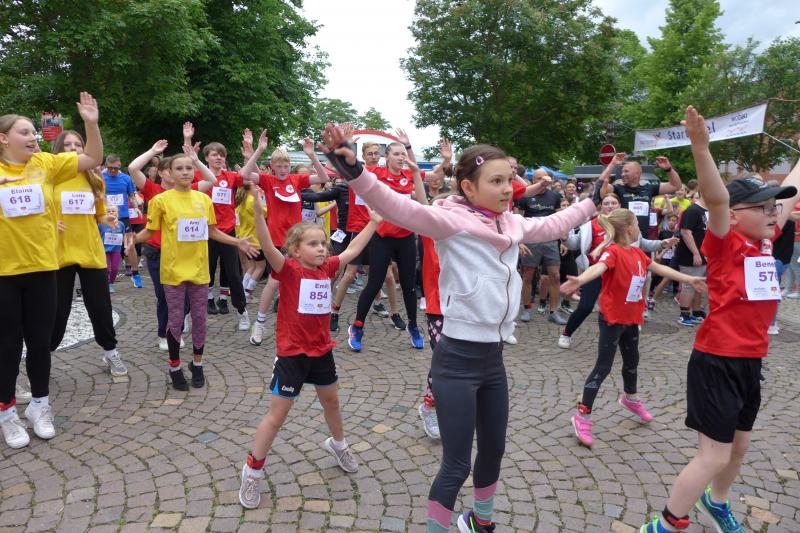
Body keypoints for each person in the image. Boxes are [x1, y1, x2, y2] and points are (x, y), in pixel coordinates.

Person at [318, 124, 595, 533]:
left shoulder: (511, 224)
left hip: (493, 362)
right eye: (496, 181)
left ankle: (480, 522)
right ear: (468, 186)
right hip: (456, 361)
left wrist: (592, 202)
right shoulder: (449, 221)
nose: (507, 189)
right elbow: (396, 206)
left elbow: (555, 224)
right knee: (456, 463)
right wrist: (355, 171)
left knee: (494, 451)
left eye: (509, 180)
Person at [640, 106, 800, 533]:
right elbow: (716, 198)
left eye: (775, 207)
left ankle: (717, 502)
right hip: (717, 360)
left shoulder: (765, 241)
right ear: (735, 215)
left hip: (750, 360)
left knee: (739, 447)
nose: (774, 213)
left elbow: (792, 188)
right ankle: (665, 523)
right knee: (713, 455)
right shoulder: (726, 243)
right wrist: (700, 146)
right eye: (763, 207)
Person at [238, 189, 381, 510]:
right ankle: (252, 470)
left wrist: (373, 223)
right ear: (295, 250)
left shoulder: (327, 268)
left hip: (321, 351)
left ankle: (338, 444)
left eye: (323, 244)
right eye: (313, 244)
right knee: (277, 416)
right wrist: (259, 214)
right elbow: (268, 246)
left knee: (332, 402)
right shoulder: (288, 269)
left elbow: (352, 249)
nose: (321, 248)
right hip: (292, 354)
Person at [0, 92, 103, 450]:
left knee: (40, 343)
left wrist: (91, 123)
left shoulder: (46, 163)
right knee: (7, 345)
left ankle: (40, 406)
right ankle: (7, 414)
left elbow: (92, 158)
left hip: (44, 268)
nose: (33, 137)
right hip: (4, 274)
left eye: (34, 132)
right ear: (4, 138)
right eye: (25, 132)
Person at [560, 208, 706, 447]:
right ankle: (582, 415)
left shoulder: (637, 252)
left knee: (632, 362)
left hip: (632, 318)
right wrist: (581, 279)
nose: (640, 227)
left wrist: (689, 279)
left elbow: (659, 269)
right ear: (629, 229)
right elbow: (599, 268)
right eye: (637, 224)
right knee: (603, 367)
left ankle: (630, 398)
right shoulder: (613, 252)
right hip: (612, 318)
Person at [130, 146, 256, 390]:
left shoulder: (203, 199)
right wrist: (131, 240)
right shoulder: (160, 200)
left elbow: (212, 231)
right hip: (173, 271)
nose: (186, 172)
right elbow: (150, 232)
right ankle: (174, 366)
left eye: (189, 168)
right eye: (180, 168)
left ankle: (197, 364)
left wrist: (237, 242)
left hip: (199, 270)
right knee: (176, 319)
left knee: (199, 319)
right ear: (169, 172)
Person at [346, 130, 453, 352]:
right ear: (387, 157)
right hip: (382, 237)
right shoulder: (376, 172)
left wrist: (446, 160)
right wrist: (348, 146)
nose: (401, 157)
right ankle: (357, 326)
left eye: (403, 153)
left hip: (405, 238)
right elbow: (352, 168)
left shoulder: (408, 175)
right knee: (374, 283)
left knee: (408, 286)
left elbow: (435, 175)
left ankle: (413, 326)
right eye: (396, 154)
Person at [238, 131, 331, 346]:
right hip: (277, 242)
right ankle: (260, 323)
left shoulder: (297, 180)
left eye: (286, 166)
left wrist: (312, 154)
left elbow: (324, 178)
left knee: (300, 281)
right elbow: (244, 174)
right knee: (274, 282)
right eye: (278, 166)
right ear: (272, 166)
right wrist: (259, 150)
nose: (282, 170)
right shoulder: (268, 180)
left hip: (298, 242)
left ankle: (300, 322)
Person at [49, 129, 128, 377]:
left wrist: (109, 219)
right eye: (67, 145)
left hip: (90, 251)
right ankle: (43, 356)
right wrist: (49, 222)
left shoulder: (95, 178)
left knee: (100, 306)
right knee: (57, 311)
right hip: (59, 253)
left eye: (78, 145)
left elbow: (100, 215)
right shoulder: (49, 177)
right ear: (58, 150)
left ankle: (110, 352)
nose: (73, 149)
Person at [128, 141, 217, 351]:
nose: (181, 172)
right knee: (163, 297)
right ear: (162, 173)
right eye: (173, 169)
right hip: (158, 253)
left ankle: (177, 325)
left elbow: (211, 180)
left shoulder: (191, 191)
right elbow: (132, 168)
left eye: (186, 168)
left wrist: (195, 160)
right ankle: (164, 333)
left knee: (185, 300)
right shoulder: (154, 190)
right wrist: (152, 151)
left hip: (185, 256)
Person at [559, 194, 677, 349]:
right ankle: (566, 333)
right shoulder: (591, 225)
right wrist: (565, 238)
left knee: (625, 304)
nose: (610, 206)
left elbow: (643, 244)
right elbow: (574, 244)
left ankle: (624, 336)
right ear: (601, 206)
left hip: (621, 274)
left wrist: (662, 244)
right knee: (585, 307)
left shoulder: (628, 225)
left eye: (614, 203)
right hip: (597, 272)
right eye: (606, 203)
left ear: (619, 205)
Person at [183, 122, 251, 330]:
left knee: (234, 274)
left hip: (228, 231)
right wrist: (187, 139)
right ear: (207, 158)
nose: (219, 158)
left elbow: (247, 175)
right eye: (214, 155)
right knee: (203, 272)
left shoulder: (230, 177)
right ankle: (190, 312)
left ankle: (241, 311)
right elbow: (186, 161)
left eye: (221, 155)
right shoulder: (198, 175)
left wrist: (249, 152)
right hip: (205, 231)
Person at [517, 168, 569, 325]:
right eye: (539, 178)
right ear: (533, 180)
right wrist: (520, 241)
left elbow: (560, 219)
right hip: (531, 240)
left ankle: (553, 311)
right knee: (528, 275)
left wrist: (563, 241)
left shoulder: (555, 196)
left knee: (555, 275)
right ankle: (527, 308)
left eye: (545, 178)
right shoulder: (525, 196)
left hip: (551, 240)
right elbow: (517, 220)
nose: (542, 181)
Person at [598, 153, 682, 235]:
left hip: (644, 237)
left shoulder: (649, 188)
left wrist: (668, 169)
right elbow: (600, 185)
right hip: (624, 237)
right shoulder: (618, 188)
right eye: (622, 172)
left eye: (626, 171)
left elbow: (676, 186)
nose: (622, 174)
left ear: (637, 173)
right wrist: (612, 164)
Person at [102, 154, 141, 287]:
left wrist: (136, 208)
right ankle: (106, 277)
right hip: (106, 217)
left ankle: (135, 273)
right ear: (106, 166)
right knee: (105, 246)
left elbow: (131, 195)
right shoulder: (101, 177)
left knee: (129, 244)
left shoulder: (126, 178)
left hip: (123, 216)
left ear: (119, 166)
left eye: (115, 168)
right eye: (110, 168)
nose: (113, 170)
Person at [674, 193, 709, 326]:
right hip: (690, 254)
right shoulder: (693, 210)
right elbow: (685, 232)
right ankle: (684, 314)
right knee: (689, 284)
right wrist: (696, 253)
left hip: (704, 254)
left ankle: (696, 311)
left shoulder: (708, 210)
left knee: (699, 283)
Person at [98, 206, 125, 292]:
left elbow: (123, 236)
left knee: (115, 268)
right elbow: (97, 236)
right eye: (108, 211)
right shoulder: (101, 224)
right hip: (104, 250)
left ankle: (111, 283)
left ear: (117, 213)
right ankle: (106, 284)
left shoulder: (121, 224)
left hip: (116, 250)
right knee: (106, 268)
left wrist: (126, 246)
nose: (111, 212)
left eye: (113, 211)